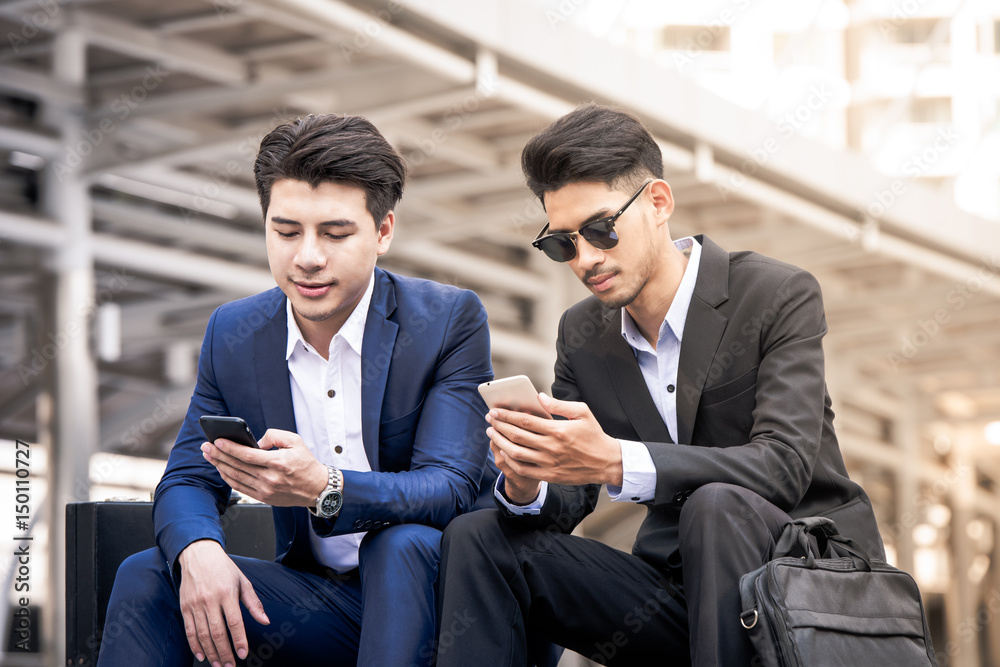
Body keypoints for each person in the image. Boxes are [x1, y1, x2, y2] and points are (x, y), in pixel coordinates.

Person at [435, 104, 885, 667]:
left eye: (601, 229)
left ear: (658, 203)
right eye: (563, 243)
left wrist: (616, 461)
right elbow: (570, 498)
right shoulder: (582, 332)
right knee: (480, 538)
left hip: (805, 588)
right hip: (675, 597)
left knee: (715, 505)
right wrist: (529, 479)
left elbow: (784, 465)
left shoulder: (775, 294)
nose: (587, 258)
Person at [98, 113, 496, 667]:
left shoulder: (448, 320)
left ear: (383, 232)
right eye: (286, 232)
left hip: (447, 605)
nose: (307, 257)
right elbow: (189, 476)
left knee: (398, 544)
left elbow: (448, 488)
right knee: (147, 574)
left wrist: (325, 487)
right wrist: (199, 550)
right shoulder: (234, 334)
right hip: (329, 603)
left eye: (335, 234)